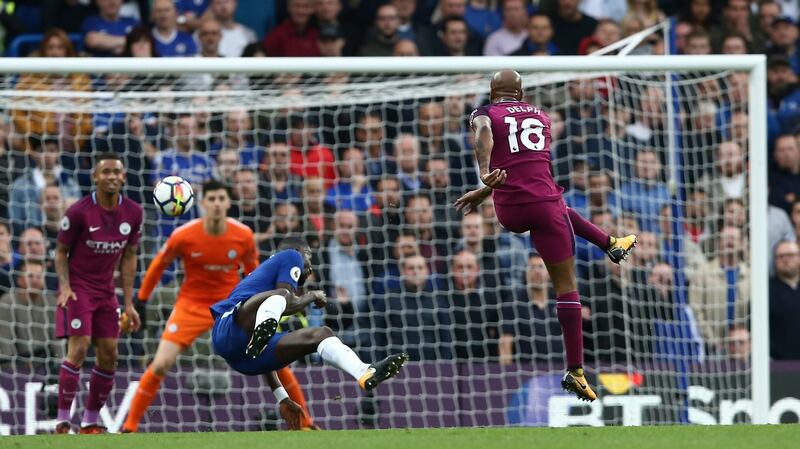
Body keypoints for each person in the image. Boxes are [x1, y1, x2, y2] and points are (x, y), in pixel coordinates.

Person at [454, 70, 638, 402]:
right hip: (544, 205)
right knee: (566, 287)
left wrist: (483, 180)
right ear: (520, 92)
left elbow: (485, 137)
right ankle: (577, 370)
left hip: (508, 210)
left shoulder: (485, 111)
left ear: (493, 92)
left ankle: (610, 243)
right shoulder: (541, 116)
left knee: (557, 206)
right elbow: (527, 163)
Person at [122, 180, 315, 432]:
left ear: (228, 202)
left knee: (274, 358)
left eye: (220, 199)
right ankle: (129, 426)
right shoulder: (183, 235)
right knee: (160, 363)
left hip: (231, 307)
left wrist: (264, 308)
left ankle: (307, 423)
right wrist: (142, 300)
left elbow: (253, 274)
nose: (216, 204)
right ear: (201, 203)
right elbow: (159, 265)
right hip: (191, 306)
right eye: (211, 199)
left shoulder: (243, 235)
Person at [210, 237, 407, 428]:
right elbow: (287, 301)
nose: (310, 267)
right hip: (228, 328)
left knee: (321, 333)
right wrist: (312, 295)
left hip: (243, 359)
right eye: (309, 258)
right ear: (299, 253)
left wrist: (283, 398)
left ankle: (363, 371)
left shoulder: (266, 293)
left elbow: (259, 346)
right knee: (284, 295)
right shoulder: (289, 256)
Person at [54, 153, 144, 434]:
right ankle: (61, 420)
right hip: (79, 289)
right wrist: (65, 286)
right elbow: (60, 253)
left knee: (109, 354)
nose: (111, 177)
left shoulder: (134, 212)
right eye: (105, 172)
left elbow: (130, 257)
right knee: (78, 348)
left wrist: (128, 303)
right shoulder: (78, 212)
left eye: (116, 172)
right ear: (95, 177)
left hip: (107, 292)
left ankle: (90, 421)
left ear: (123, 177)